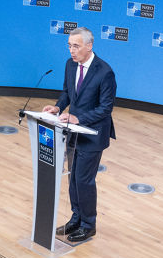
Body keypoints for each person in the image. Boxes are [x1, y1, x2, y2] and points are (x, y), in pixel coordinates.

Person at [42, 26, 117, 243]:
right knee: (73, 179)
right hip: (73, 133)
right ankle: (76, 218)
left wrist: (78, 118)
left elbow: (105, 108)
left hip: (92, 135)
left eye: (76, 46)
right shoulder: (70, 64)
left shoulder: (105, 72)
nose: (71, 51)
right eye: (69, 46)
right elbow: (68, 92)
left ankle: (88, 225)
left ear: (89, 46)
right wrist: (58, 107)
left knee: (84, 180)